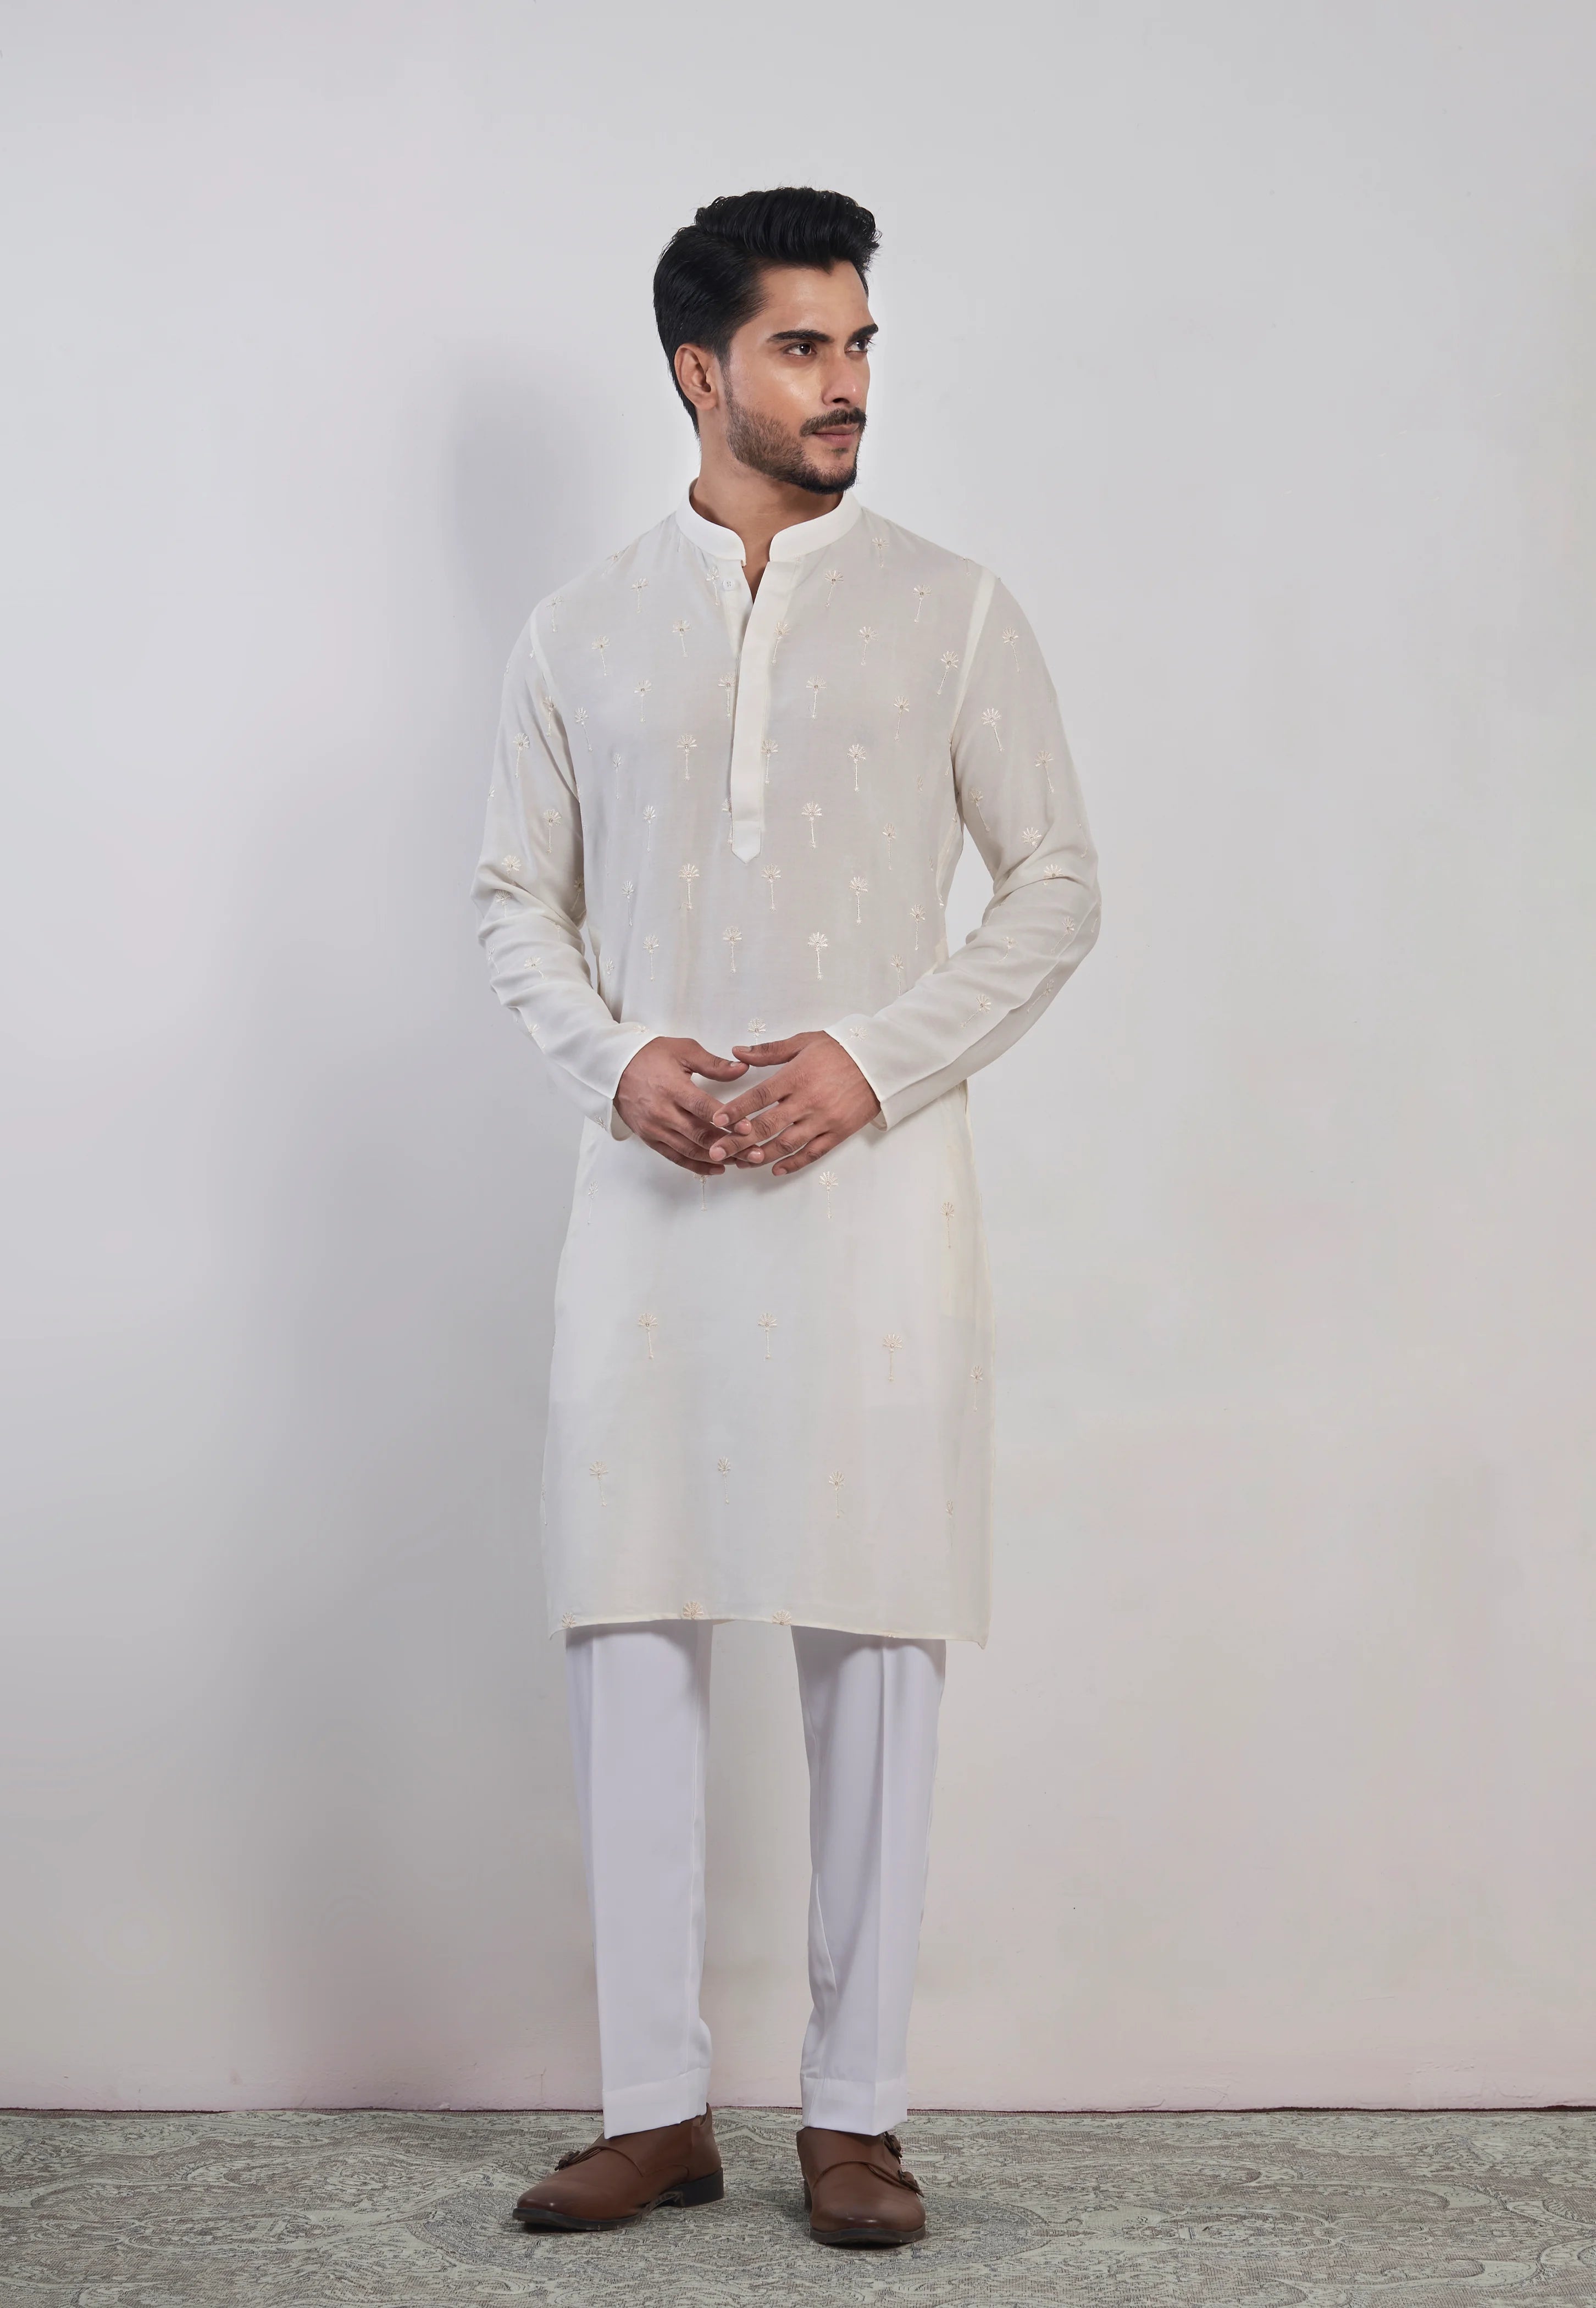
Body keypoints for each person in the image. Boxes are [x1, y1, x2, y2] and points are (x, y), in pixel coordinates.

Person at [471, 186, 1100, 2248]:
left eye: (860, 348)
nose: (846, 386)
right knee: (631, 1624)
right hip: (647, 1204)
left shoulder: (953, 610)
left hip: (875, 1202)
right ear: (699, 370)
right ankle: (653, 2107)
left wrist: (874, 1063)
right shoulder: (578, 631)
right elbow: (514, 901)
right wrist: (618, 1063)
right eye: (803, 349)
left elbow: (1056, 885)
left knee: (878, 1637)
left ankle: (858, 2116)